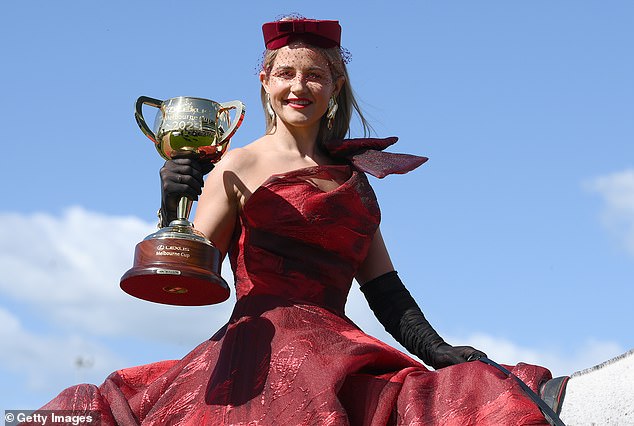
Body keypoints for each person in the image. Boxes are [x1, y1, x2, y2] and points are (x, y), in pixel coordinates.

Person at [35, 17, 567, 425]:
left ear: (334, 87)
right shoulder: (235, 164)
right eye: (286, 73)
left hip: (341, 348)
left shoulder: (353, 179)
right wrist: (172, 202)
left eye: (315, 75)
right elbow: (192, 267)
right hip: (257, 353)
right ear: (264, 82)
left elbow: (382, 284)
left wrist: (435, 348)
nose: (299, 86)